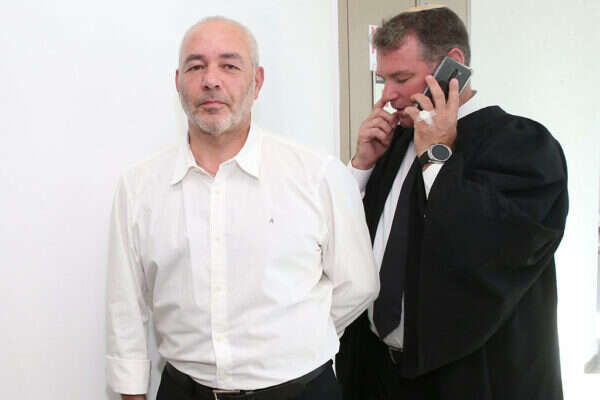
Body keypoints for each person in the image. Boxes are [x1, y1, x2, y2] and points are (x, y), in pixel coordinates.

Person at [106, 16, 379, 400]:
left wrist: (296, 337)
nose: (211, 80)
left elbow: (358, 285)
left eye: (229, 66)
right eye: (196, 66)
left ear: (257, 81)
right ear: (178, 82)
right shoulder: (139, 187)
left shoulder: (318, 175)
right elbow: (126, 308)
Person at [336, 5, 568, 400]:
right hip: (378, 375)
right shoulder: (394, 144)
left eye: (401, 78)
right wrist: (361, 167)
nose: (388, 95)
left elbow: (494, 247)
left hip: (470, 380)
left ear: (452, 67)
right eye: (382, 80)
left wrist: (437, 157)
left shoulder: (523, 145)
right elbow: (347, 244)